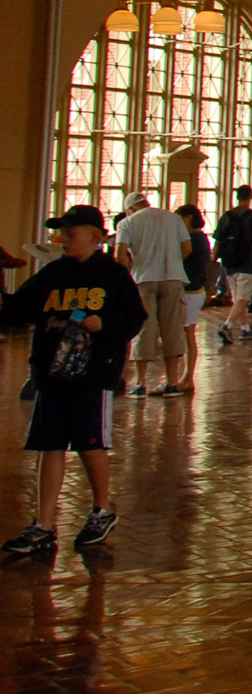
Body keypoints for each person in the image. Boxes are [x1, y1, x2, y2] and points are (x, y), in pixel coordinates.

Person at [0, 205, 147, 558]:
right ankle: (44, 524)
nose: (63, 240)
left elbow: (133, 318)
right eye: (61, 234)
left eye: (70, 233)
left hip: (92, 374)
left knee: (89, 443)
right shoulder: (53, 274)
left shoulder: (112, 276)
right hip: (53, 373)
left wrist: (104, 324)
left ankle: (101, 508)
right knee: (50, 444)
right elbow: (19, 310)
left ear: (95, 237)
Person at [113, 192, 192, 398]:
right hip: (173, 278)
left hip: (143, 279)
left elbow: (119, 254)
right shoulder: (173, 218)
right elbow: (187, 248)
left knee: (144, 329)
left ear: (129, 209)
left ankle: (140, 383)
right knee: (172, 329)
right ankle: (172, 382)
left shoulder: (127, 223)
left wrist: (130, 270)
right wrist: (173, 263)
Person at [212, 186, 252, 345]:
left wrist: (215, 258)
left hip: (230, 264)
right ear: (251, 197)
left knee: (238, 299)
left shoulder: (226, 216)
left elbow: (217, 240)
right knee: (243, 299)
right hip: (248, 264)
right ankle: (227, 326)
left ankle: (245, 328)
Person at [176, 203, 214, 385]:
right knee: (187, 333)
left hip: (190, 291)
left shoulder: (192, 239)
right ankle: (186, 376)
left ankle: (187, 377)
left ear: (189, 218)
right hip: (196, 289)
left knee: (187, 334)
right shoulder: (201, 238)